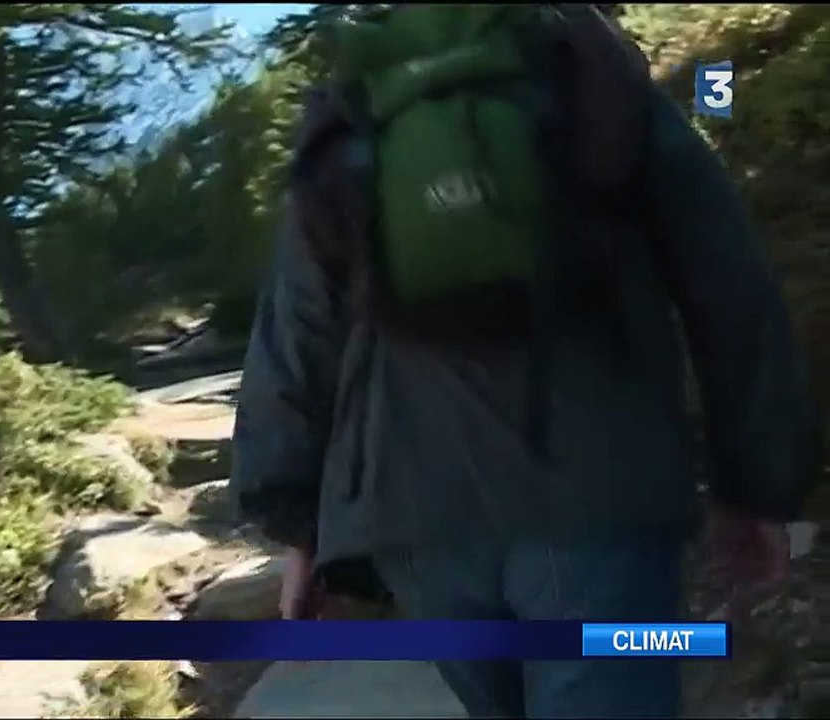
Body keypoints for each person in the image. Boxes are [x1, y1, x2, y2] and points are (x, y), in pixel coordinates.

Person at [228, 5, 822, 719]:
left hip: (418, 522)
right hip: (598, 497)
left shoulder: (363, 103)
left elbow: (296, 333)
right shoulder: (592, 73)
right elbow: (727, 283)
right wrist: (757, 484)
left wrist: (298, 525)